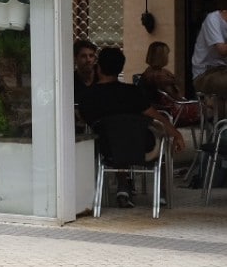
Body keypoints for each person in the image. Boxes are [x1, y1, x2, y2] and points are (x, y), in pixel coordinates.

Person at [79, 47, 185, 208]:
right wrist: (176, 134)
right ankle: (161, 192)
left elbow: (84, 121)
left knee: (116, 136)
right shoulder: (133, 93)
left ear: (98, 68)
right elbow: (157, 117)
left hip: (106, 149)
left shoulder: (88, 97)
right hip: (142, 147)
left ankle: (123, 186)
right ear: (120, 68)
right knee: (154, 141)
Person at [72, 39, 98, 107]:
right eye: (83, 56)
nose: (88, 60)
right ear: (75, 59)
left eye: (91, 56)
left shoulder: (102, 78)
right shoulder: (71, 81)